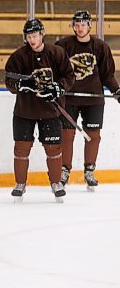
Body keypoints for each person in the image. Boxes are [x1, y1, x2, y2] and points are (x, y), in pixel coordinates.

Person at [5, 18, 75, 203]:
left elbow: (69, 76)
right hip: (24, 111)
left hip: (50, 112)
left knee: (53, 149)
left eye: (35, 35)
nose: (32, 39)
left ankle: (56, 183)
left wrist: (58, 87)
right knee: (21, 149)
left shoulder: (57, 53)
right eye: (29, 36)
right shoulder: (19, 56)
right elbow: (9, 81)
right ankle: (20, 184)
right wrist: (21, 83)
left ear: (42, 34)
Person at [55, 10, 120, 192]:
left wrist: (117, 90)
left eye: (83, 24)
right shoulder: (63, 45)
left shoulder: (101, 47)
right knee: (66, 135)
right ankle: (64, 170)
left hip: (94, 100)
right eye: (76, 24)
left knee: (94, 136)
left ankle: (89, 170)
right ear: (73, 26)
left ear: (89, 26)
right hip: (69, 98)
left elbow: (108, 75)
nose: (80, 28)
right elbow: (55, 70)